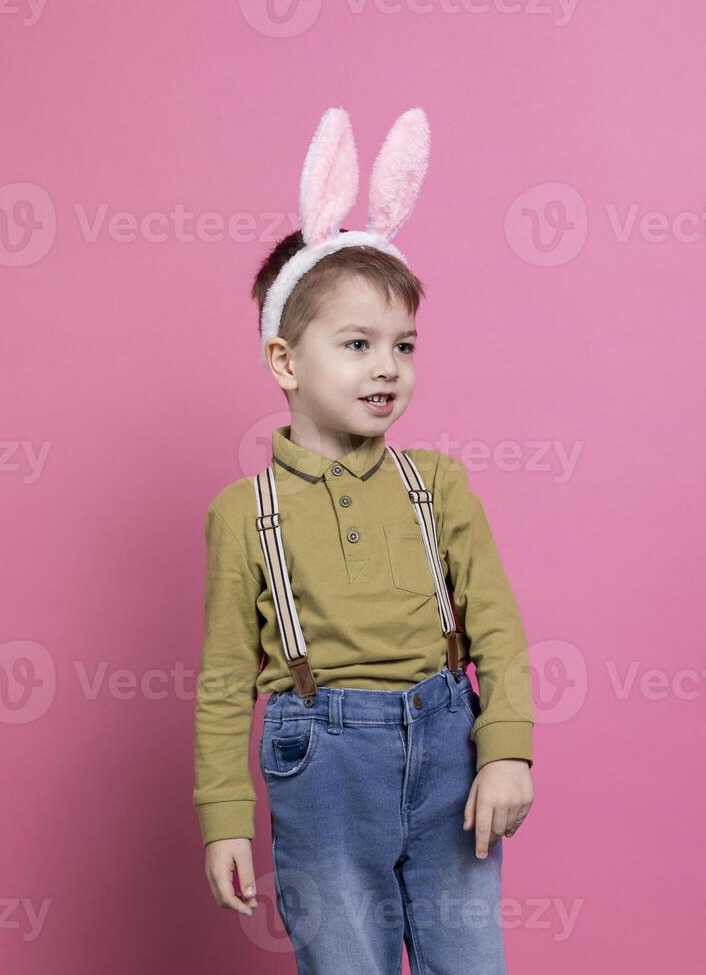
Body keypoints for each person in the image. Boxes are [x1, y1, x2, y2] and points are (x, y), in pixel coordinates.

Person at [193, 106, 535, 974]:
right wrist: (225, 814)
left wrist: (506, 749)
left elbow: (496, 624)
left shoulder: (438, 485)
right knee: (347, 962)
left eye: (404, 345)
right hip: (324, 768)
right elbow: (228, 676)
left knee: (471, 962)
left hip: (446, 750)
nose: (388, 367)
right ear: (285, 362)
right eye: (357, 344)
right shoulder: (245, 512)